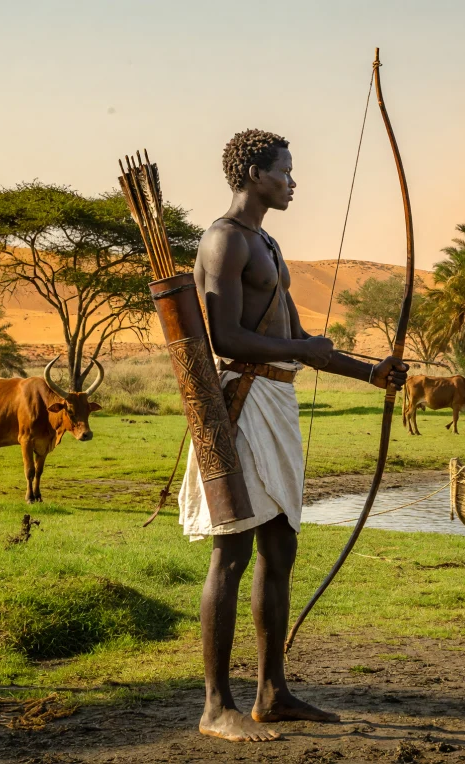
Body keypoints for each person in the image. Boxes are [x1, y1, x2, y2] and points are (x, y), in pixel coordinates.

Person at [180, 128, 407, 742]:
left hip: (276, 397)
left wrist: (369, 372)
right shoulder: (225, 240)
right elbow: (224, 336)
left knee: (279, 549)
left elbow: (301, 340)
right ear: (255, 173)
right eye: (284, 170)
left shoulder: (267, 243)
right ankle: (214, 706)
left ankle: (272, 692)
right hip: (243, 400)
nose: (292, 181)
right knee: (232, 550)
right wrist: (299, 349)